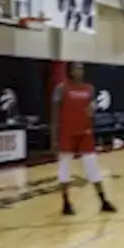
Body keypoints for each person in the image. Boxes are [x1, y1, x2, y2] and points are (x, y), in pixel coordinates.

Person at [51, 62, 117, 216]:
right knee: (64, 170)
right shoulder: (61, 89)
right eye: (75, 68)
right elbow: (54, 115)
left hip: (85, 133)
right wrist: (54, 139)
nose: (78, 71)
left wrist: (91, 113)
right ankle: (66, 203)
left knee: (92, 168)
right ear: (70, 71)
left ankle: (103, 201)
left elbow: (90, 110)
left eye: (81, 68)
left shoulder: (89, 89)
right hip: (66, 133)